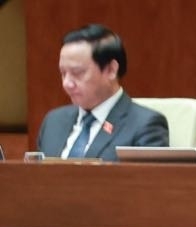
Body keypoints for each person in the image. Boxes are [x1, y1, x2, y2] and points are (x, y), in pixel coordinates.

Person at [37, 24, 169, 161]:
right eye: (63, 73)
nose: (67, 83)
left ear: (111, 70)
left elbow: (148, 175)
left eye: (77, 73)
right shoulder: (54, 121)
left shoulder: (145, 125)